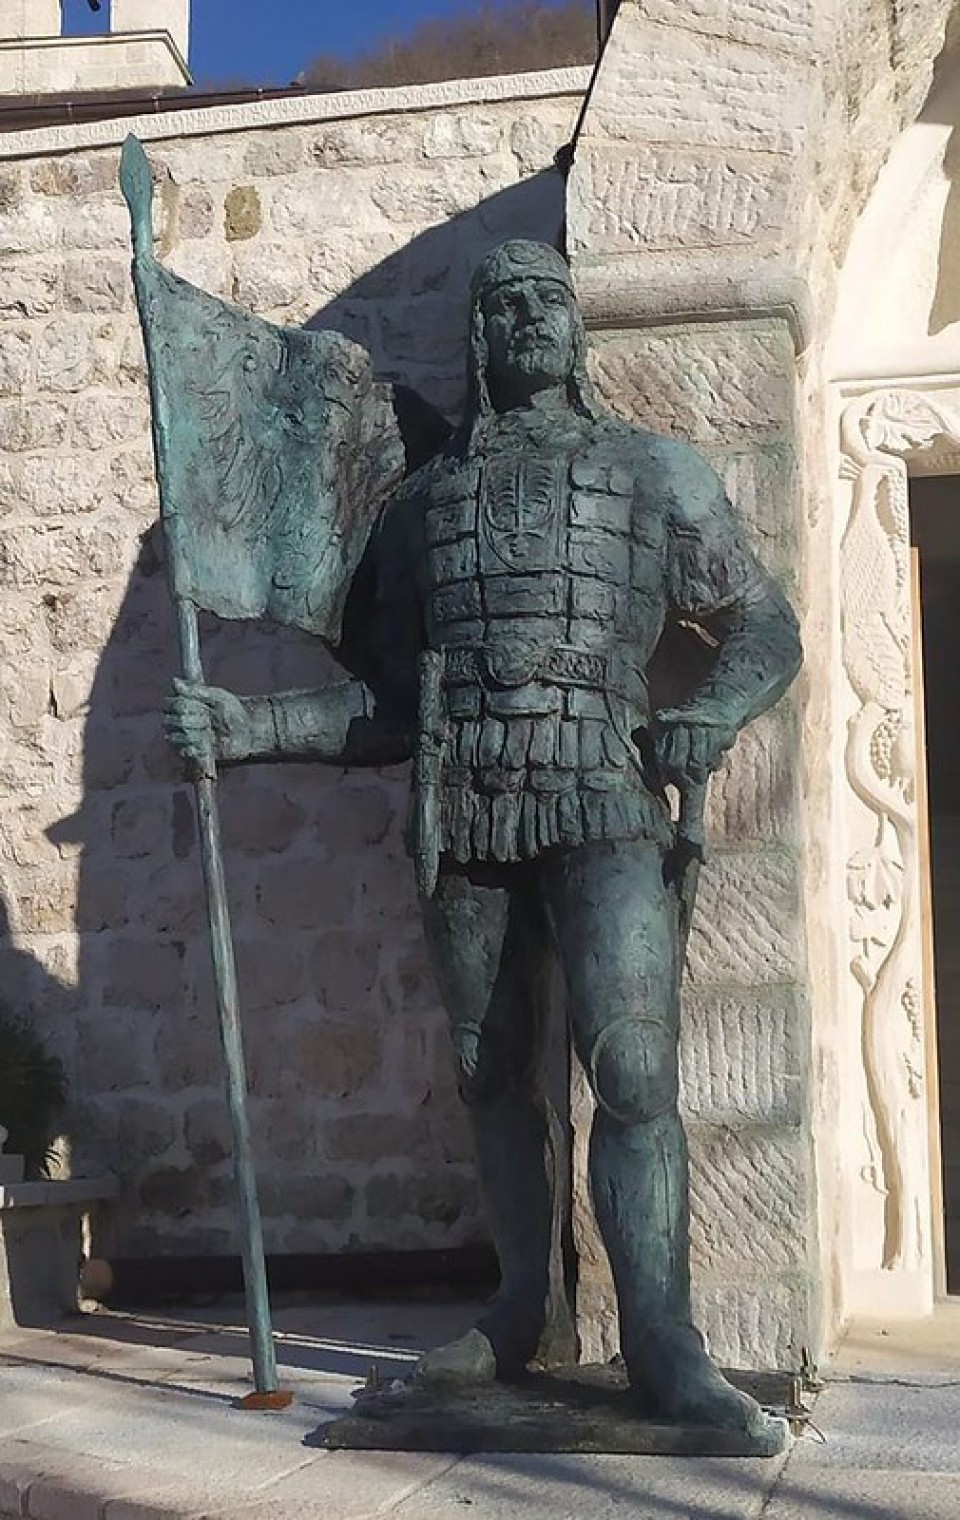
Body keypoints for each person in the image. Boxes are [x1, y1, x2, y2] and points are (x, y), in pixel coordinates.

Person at [165, 240, 801, 1438]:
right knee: (488, 1068)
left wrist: (710, 715)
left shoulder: (653, 471)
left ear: (576, 325)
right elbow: (389, 708)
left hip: (607, 796)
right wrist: (249, 725)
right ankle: (520, 1305)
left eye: (547, 300)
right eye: (504, 306)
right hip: (467, 809)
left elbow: (766, 629)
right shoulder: (420, 511)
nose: (528, 320)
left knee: (635, 1066)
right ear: (478, 337)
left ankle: (664, 1335)